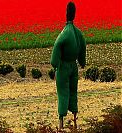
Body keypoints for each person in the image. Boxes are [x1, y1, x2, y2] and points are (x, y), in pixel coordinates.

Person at [50, 1, 86, 130]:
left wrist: (54, 64)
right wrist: (82, 62)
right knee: (73, 91)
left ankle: (61, 122)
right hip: (74, 67)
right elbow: (83, 47)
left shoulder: (65, 33)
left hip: (64, 67)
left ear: (66, 14)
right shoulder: (78, 33)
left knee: (63, 92)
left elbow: (57, 46)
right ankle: (75, 119)